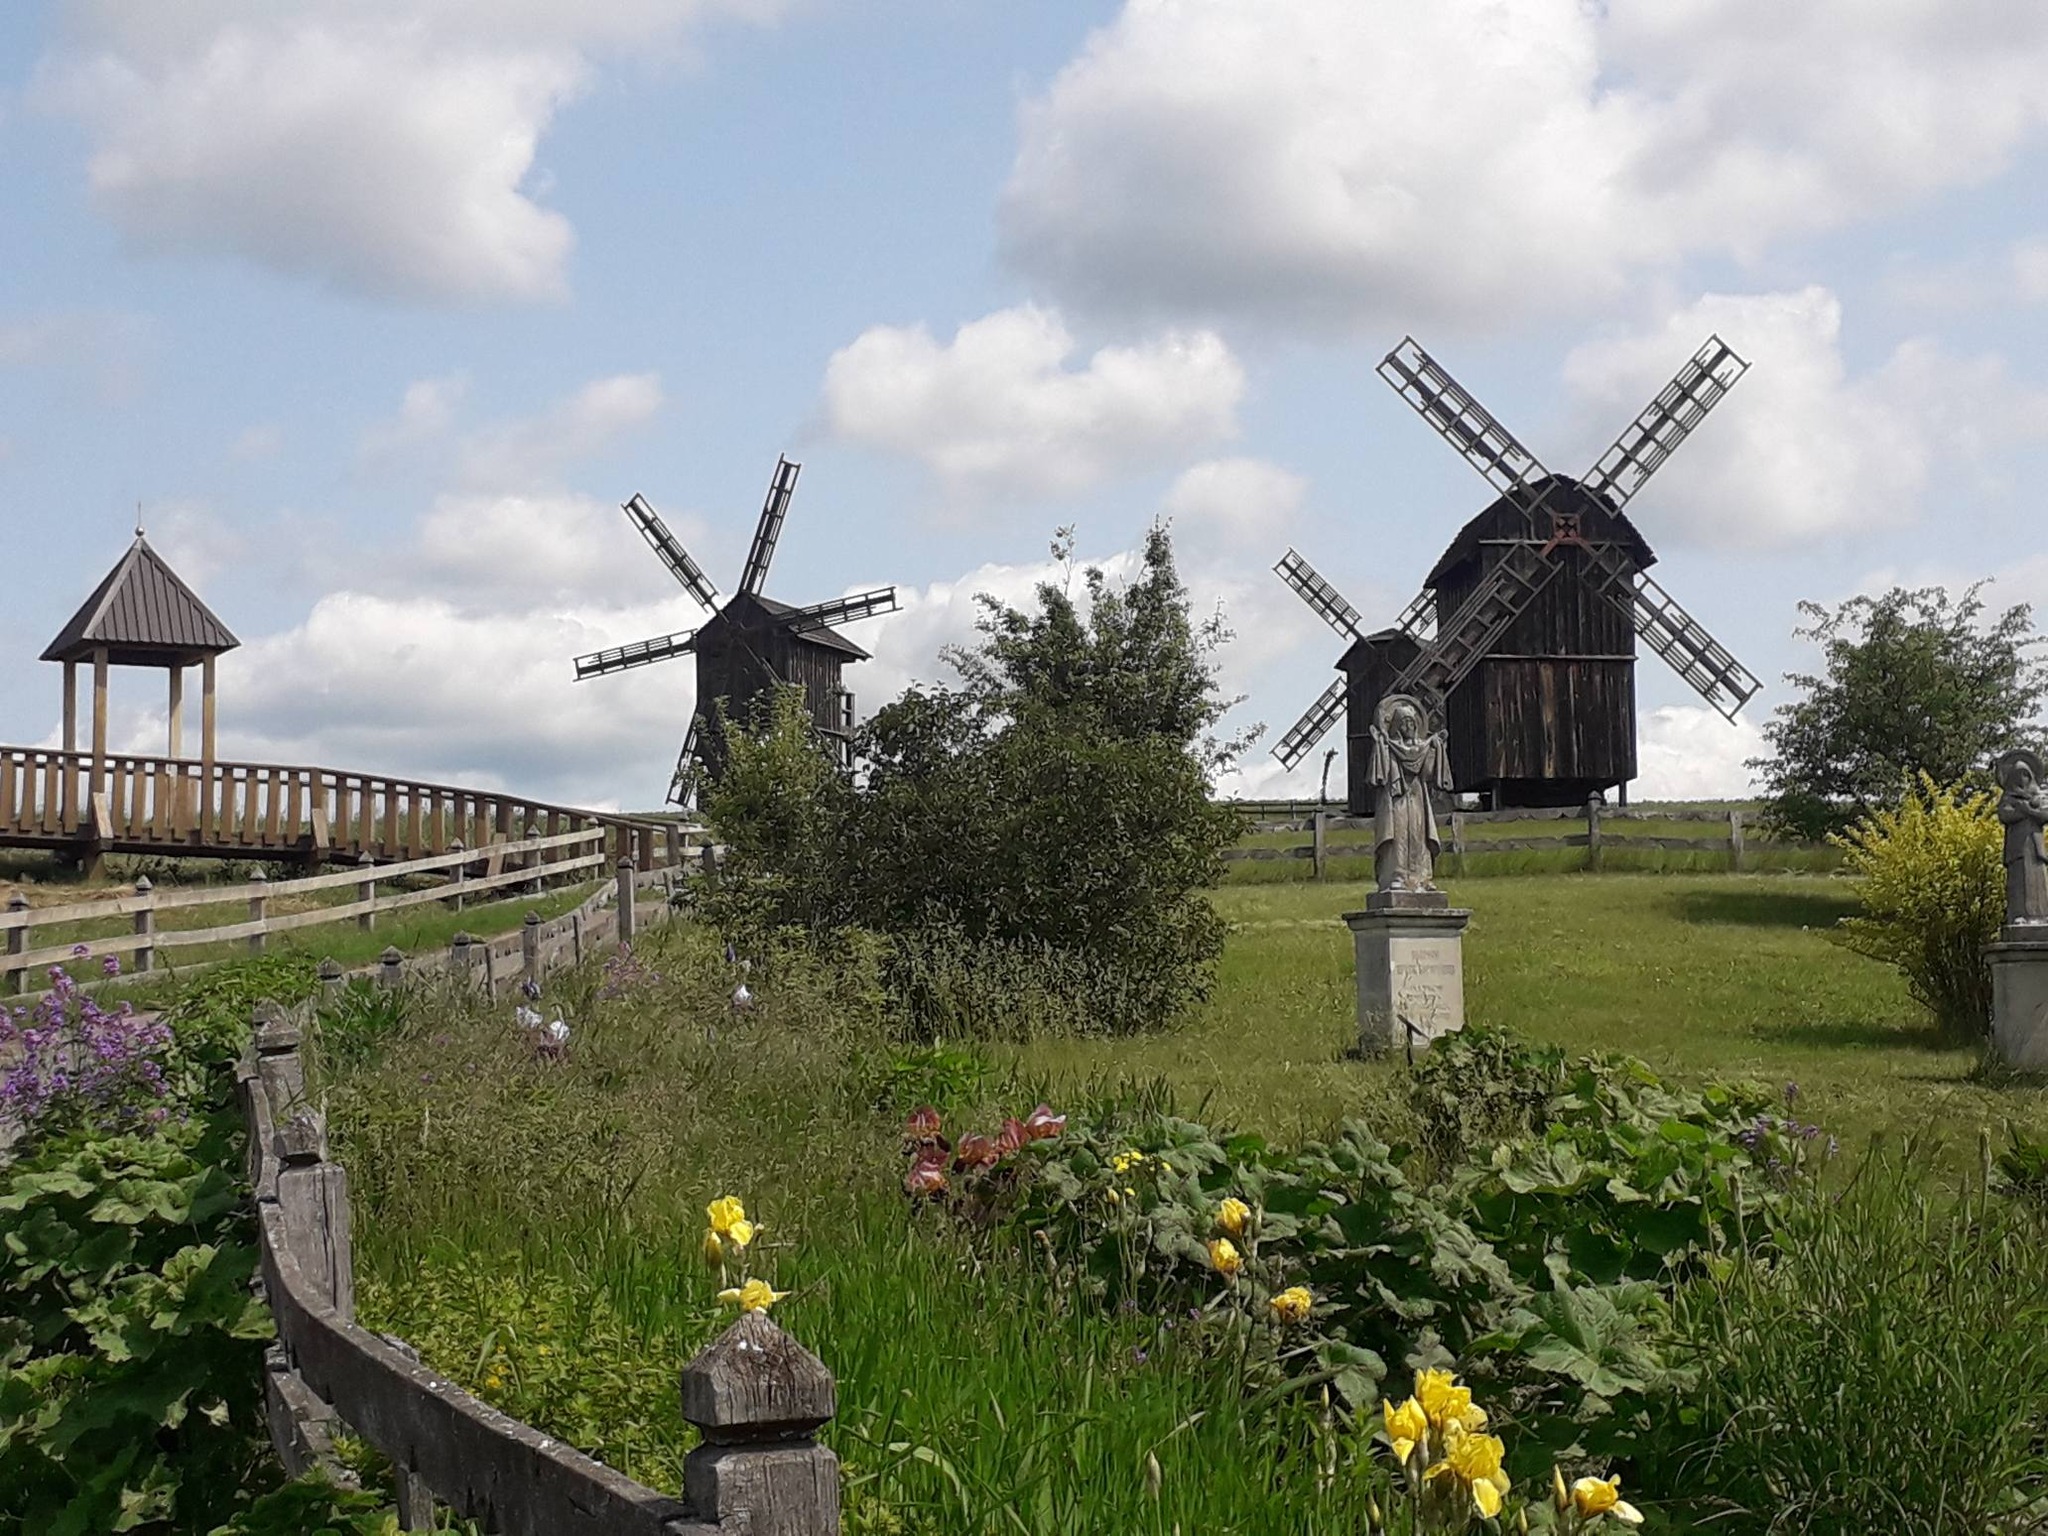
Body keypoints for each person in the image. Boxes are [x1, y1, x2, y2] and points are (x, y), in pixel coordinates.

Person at [1367, 694, 1452, 893]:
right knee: (1398, 835)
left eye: (1411, 723)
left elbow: (1428, 773)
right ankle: (1397, 875)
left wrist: (1434, 750)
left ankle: (1421, 876)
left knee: (1419, 836)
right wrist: (1381, 746)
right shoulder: (1389, 747)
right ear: (1396, 725)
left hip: (1417, 797)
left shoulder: (1421, 748)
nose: (1408, 727)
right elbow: (1382, 773)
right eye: (1403, 723)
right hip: (1397, 798)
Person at [1997, 749, 2048, 925]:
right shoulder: (2008, 798)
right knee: (2019, 881)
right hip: (2017, 847)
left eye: (2025, 775)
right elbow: (2005, 815)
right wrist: (2026, 811)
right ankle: (2020, 915)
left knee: (2038, 880)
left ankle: (2041, 916)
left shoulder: (2039, 797)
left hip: (2036, 846)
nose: (2022, 780)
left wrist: (2026, 809)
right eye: (2018, 775)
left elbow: (2044, 815)